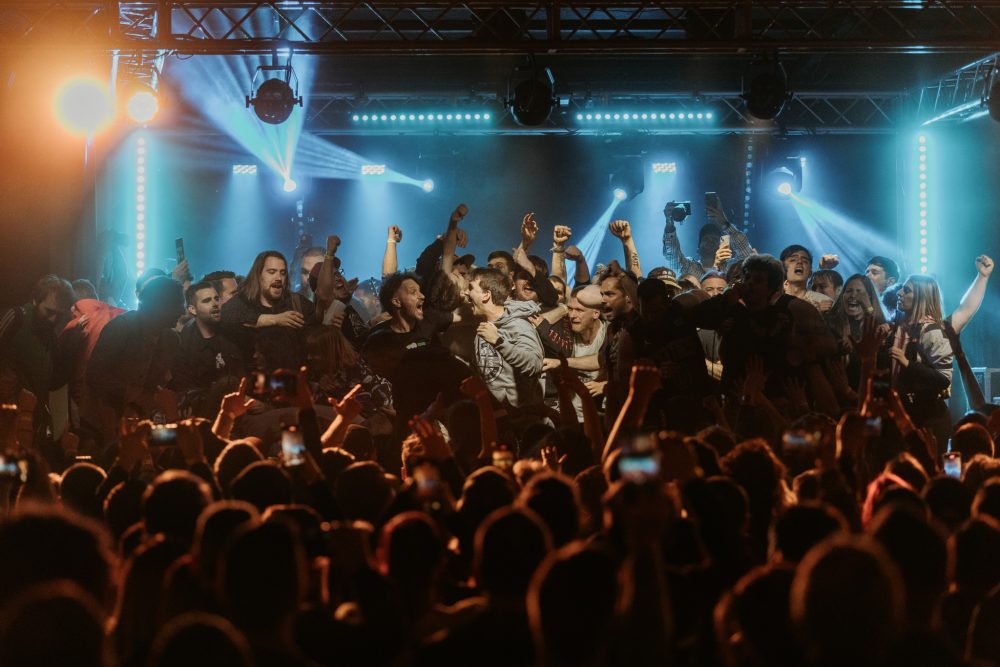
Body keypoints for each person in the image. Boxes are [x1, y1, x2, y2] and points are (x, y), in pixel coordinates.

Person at [87, 276, 184, 424]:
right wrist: (136, 396)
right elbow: (94, 375)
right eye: (177, 304)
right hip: (106, 421)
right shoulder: (120, 328)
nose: (182, 310)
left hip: (144, 421)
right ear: (159, 304)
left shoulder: (171, 339)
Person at [0, 274, 75, 448]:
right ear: (35, 300)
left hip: (29, 420)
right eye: (49, 311)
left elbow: (53, 383)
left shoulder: (51, 338)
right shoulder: (17, 318)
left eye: (59, 314)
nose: (53, 319)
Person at [464, 267, 544, 415]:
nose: (466, 292)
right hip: (496, 415)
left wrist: (498, 342)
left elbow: (534, 364)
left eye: (471, 288)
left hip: (521, 418)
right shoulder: (485, 325)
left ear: (486, 295)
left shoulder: (518, 325)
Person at [220, 251, 316, 372]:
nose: (278, 278)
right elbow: (226, 315)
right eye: (271, 272)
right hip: (255, 379)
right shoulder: (244, 301)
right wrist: (275, 319)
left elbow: (316, 338)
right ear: (258, 275)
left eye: (282, 273)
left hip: (291, 378)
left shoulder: (297, 302)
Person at [891, 274, 954, 453]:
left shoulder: (931, 331)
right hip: (908, 413)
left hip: (929, 419)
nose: (899, 293)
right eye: (901, 288)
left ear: (921, 297)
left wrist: (908, 364)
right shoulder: (903, 328)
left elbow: (944, 379)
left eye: (907, 290)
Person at [171, 281, 244, 409]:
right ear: (192, 309)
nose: (215, 304)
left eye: (216, 298)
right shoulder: (184, 345)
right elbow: (186, 391)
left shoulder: (232, 334)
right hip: (206, 411)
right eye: (207, 301)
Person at [661, 196, 753, 277]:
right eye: (706, 239)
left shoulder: (731, 268)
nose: (710, 241)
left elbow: (747, 256)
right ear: (698, 249)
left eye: (714, 239)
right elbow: (672, 257)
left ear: (721, 247)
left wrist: (724, 223)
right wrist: (669, 223)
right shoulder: (688, 268)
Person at [780, 245, 833, 312]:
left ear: (810, 273)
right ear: (783, 269)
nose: (800, 262)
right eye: (793, 260)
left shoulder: (823, 301)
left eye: (805, 261)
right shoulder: (773, 299)